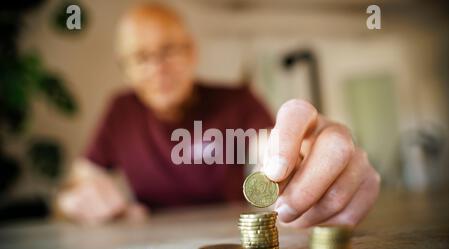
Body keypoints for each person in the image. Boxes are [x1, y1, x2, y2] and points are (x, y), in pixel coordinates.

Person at [56, 4, 380, 228]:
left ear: (192, 51)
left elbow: (269, 151)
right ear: (124, 69)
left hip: (235, 239)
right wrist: (73, 201)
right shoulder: (119, 111)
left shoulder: (238, 100)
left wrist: (305, 158)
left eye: (169, 49)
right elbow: (74, 185)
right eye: (141, 57)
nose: (158, 67)